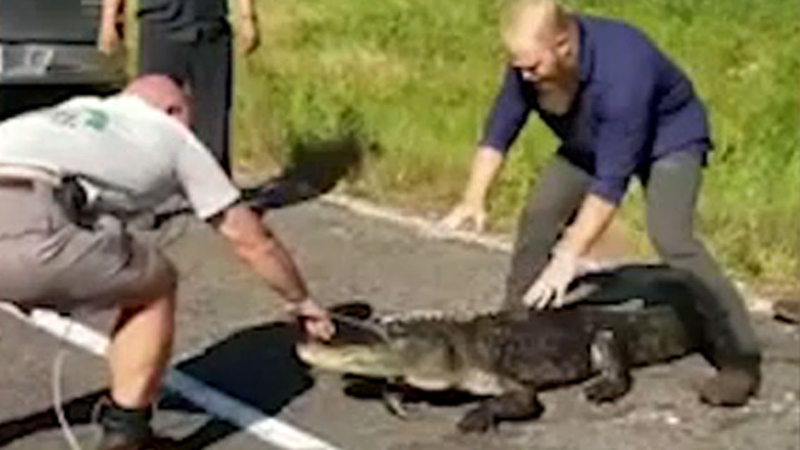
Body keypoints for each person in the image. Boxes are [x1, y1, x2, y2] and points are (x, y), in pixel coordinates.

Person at [441, 0, 760, 406]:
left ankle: (739, 357)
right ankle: (517, 324)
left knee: (673, 237)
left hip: (668, 141)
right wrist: (473, 199)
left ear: (563, 46)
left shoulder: (623, 70)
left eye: (533, 67)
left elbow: (611, 183)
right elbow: (499, 131)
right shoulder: (529, 63)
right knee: (540, 213)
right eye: (518, 67)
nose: (524, 76)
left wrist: (568, 256)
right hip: (589, 139)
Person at [0, 75, 333, 450]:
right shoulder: (173, 136)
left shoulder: (73, 111)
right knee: (155, 286)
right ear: (174, 110)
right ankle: (126, 431)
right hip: (32, 219)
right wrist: (300, 299)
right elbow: (251, 240)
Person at [98, 0, 261, 174]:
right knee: (155, 118)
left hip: (209, 27)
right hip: (160, 28)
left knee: (213, 120)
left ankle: (210, 181)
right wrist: (108, 20)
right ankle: (157, 181)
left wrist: (247, 17)